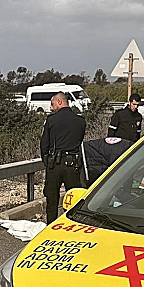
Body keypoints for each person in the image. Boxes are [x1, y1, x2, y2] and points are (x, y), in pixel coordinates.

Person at [40, 92, 86, 223]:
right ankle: (72, 224)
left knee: (52, 199)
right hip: (73, 165)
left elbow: (44, 143)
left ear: (60, 102)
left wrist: (47, 161)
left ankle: (51, 226)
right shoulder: (80, 121)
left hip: (55, 165)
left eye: (52, 104)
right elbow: (79, 140)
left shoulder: (51, 120)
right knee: (73, 198)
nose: (51, 107)